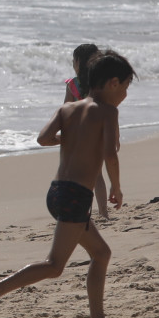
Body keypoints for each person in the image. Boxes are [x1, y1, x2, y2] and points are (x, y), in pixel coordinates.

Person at [0, 50, 133, 318]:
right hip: (75, 196)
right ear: (113, 83)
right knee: (55, 265)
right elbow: (110, 155)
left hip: (56, 192)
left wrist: (73, 139)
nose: (125, 96)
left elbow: (43, 138)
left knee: (101, 253)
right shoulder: (108, 112)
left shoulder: (67, 109)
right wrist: (116, 187)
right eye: (126, 88)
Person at [60, 45, 112, 219]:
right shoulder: (101, 83)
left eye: (74, 60)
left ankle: (84, 212)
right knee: (97, 175)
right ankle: (104, 212)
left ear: (78, 63)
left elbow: (66, 111)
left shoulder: (73, 85)